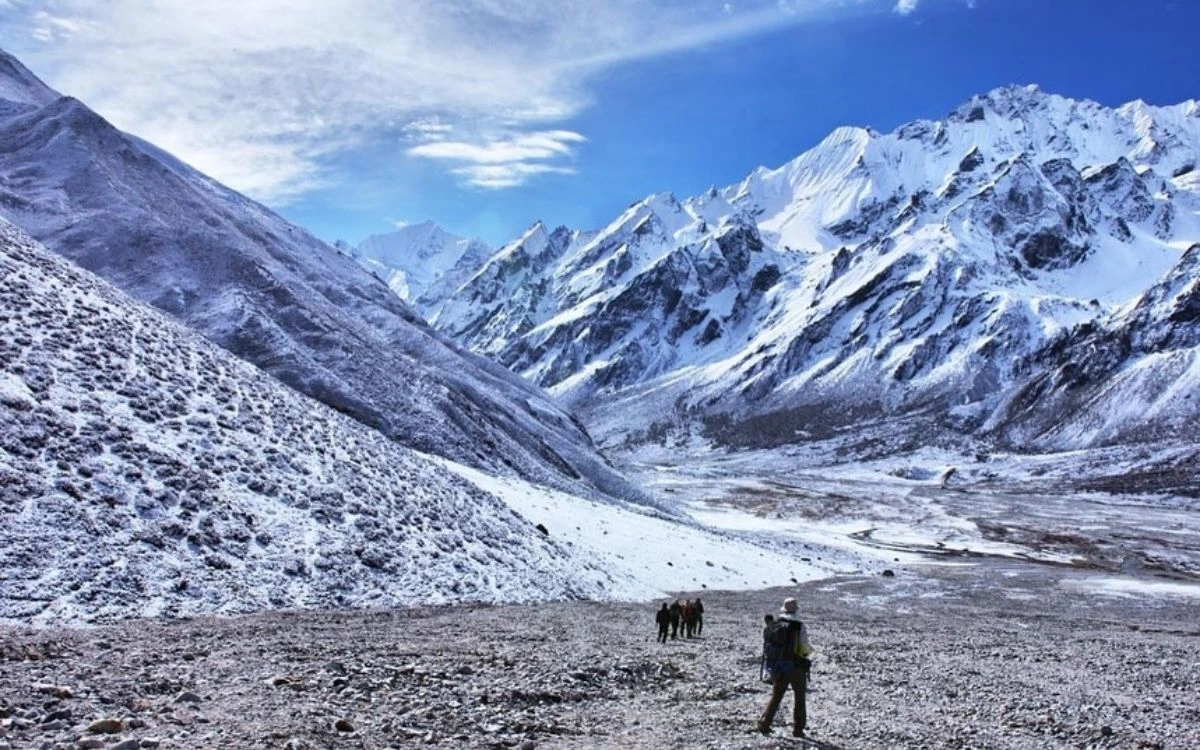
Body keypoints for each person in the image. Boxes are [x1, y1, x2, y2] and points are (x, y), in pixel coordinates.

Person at [758, 597, 812, 737]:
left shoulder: (776, 624)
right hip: (796, 666)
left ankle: (764, 723)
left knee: (776, 695)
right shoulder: (799, 625)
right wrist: (807, 656)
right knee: (799, 697)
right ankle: (798, 729)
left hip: (779, 665)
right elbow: (805, 646)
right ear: (795, 610)